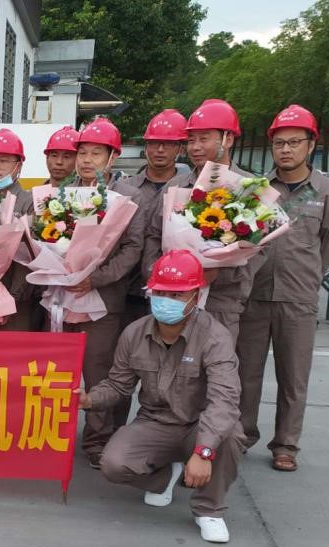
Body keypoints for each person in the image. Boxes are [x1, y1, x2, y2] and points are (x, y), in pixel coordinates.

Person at [79, 250, 242, 544]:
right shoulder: (134, 333)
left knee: (230, 436)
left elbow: (224, 400)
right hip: (155, 422)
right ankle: (164, 478)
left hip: (199, 425)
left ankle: (209, 509)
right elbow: (118, 385)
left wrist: (204, 451)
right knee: (113, 463)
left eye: (177, 295)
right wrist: (89, 400)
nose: (167, 301)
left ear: (195, 296)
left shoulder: (215, 337)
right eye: (161, 293)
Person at [237, 105, 329, 473]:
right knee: (246, 372)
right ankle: (242, 435)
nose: (286, 149)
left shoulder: (328, 191)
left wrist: (308, 279)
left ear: (311, 144)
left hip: (298, 298)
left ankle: (286, 445)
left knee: (293, 376)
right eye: (279, 143)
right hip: (254, 294)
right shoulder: (258, 189)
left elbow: (328, 243)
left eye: (294, 142)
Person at [144, 99, 260, 343]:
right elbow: (154, 235)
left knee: (216, 361)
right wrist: (159, 273)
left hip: (222, 301)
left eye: (204, 139)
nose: (195, 147)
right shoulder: (175, 186)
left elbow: (260, 250)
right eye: (191, 140)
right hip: (173, 298)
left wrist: (216, 275)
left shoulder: (249, 188)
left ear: (228, 139)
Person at [67, 118, 146, 469]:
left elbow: (132, 249)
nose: (87, 160)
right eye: (82, 152)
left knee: (98, 372)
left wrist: (96, 278)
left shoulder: (129, 197)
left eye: (96, 153)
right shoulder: (60, 193)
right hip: (61, 298)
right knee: (57, 371)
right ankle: (53, 434)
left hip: (101, 300)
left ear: (112, 157)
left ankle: (97, 440)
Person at [110, 110, 190, 429]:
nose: (159, 150)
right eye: (154, 143)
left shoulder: (189, 190)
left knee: (170, 369)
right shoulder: (123, 188)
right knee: (122, 365)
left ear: (179, 149)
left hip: (172, 297)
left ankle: (162, 431)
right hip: (127, 291)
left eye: (168, 144)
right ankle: (113, 431)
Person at [0, 128, 36, 332]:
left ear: (18, 166)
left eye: (3, 161)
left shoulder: (29, 202)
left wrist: (13, 297)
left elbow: (30, 256)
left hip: (13, 302)